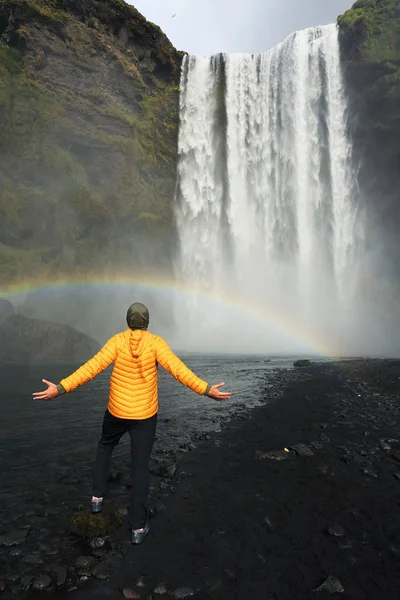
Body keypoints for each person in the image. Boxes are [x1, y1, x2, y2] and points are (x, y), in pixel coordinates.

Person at [32, 302, 231, 544]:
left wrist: (60, 388)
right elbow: (179, 371)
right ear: (147, 322)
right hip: (144, 416)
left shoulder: (117, 341)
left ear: (128, 321)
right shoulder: (156, 343)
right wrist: (207, 390)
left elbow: (91, 368)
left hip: (116, 412)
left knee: (105, 447)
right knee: (140, 467)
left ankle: (96, 499)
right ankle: (138, 528)